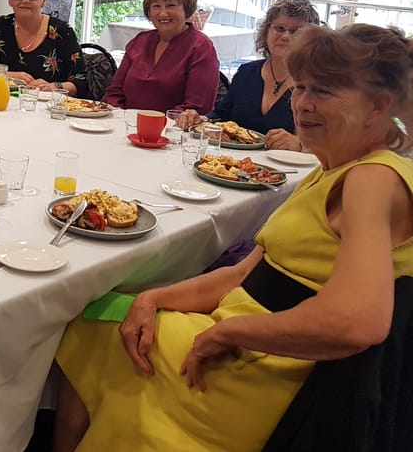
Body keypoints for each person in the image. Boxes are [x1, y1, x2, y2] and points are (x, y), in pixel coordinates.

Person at [52, 23, 413, 452]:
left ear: (379, 105)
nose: (303, 104)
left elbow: (359, 321)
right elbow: (242, 275)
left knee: (89, 321)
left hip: (265, 371)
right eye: (300, 89)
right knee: (103, 311)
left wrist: (234, 334)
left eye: (324, 92)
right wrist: (154, 298)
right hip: (241, 336)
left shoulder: (373, 179)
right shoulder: (337, 166)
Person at [179, 0, 321, 149]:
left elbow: (333, 142)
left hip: (290, 169)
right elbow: (222, 114)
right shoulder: (247, 72)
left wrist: (300, 144)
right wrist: (201, 119)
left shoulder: (318, 85)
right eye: (279, 28)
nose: (286, 36)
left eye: (296, 31)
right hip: (236, 165)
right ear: (266, 32)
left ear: (310, 39)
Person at [102, 0, 219, 113]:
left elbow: (197, 106)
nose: (163, 13)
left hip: (172, 130)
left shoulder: (201, 47)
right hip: (126, 125)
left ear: (186, 9)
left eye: (171, 6)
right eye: (156, 6)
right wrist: (120, 117)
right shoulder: (140, 41)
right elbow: (113, 92)